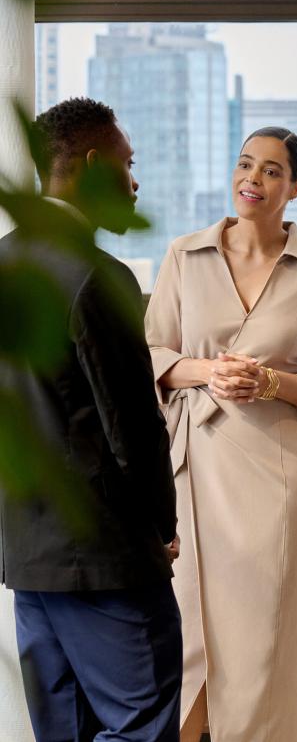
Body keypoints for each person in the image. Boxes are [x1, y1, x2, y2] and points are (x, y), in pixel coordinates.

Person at [145, 126, 297, 742]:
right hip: (191, 475)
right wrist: (209, 371)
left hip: (278, 481)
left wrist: (270, 384)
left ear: (294, 187)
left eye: (270, 171)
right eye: (245, 165)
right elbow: (152, 353)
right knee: (184, 641)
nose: (253, 180)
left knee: (266, 653)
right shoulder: (185, 255)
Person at [0, 98, 183, 741]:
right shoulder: (96, 277)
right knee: (141, 726)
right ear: (91, 163)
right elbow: (132, 427)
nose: (135, 182)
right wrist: (162, 525)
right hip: (106, 556)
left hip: (29, 556)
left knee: (62, 733)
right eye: (127, 164)